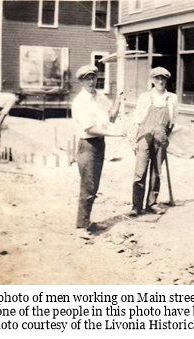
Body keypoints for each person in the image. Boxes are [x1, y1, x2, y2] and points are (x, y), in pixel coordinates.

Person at [72, 65, 125, 231]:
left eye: (93, 77)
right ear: (81, 80)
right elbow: (90, 128)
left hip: (100, 144)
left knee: (94, 186)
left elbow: (111, 117)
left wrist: (118, 99)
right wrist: (115, 134)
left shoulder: (100, 97)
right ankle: (81, 226)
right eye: (87, 78)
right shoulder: (80, 102)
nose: (91, 81)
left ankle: (87, 222)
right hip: (87, 145)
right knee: (87, 186)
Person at [129, 67, 178, 217]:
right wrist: (133, 139)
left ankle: (151, 204)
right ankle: (136, 206)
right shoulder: (145, 97)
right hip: (144, 135)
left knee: (157, 172)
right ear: (152, 80)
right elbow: (137, 119)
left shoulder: (172, 98)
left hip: (161, 137)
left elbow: (173, 121)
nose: (160, 81)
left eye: (163, 79)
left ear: (166, 80)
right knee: (140, 172)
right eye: (157, 78)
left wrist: (165, 137)